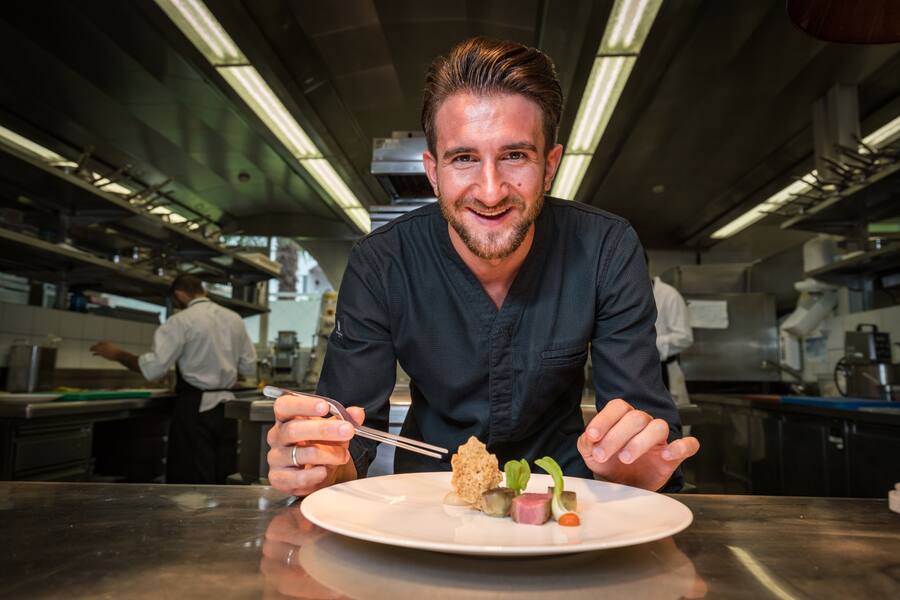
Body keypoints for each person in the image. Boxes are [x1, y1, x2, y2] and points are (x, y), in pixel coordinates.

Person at [265, 37, 699, 498]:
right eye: (464, 158)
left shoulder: (605, 248)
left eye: (515, 155)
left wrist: (635, 465)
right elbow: (347, 433)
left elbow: (639, 425)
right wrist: (319, 463)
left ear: (550, 166)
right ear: (433, 171)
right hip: (429, 501)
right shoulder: (382, 262)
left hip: (561, 498)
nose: (491, 192)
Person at [90, 274, 257, 484]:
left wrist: (117, 354)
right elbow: (249, 366)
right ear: (203, 291)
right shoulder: (234, 319)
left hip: (195, 408)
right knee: (224, 473)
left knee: (192, 481)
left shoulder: (181, 321)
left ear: (179, 295)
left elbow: (153, 369)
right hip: (227, 409)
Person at [646, 253, 693, 403]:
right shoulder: (629, 295)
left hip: (665, 372)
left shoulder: (669, 296)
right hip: (640, 373)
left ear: (646, 268)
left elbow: (684, 337)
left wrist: (648, 343)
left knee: (667, 414)